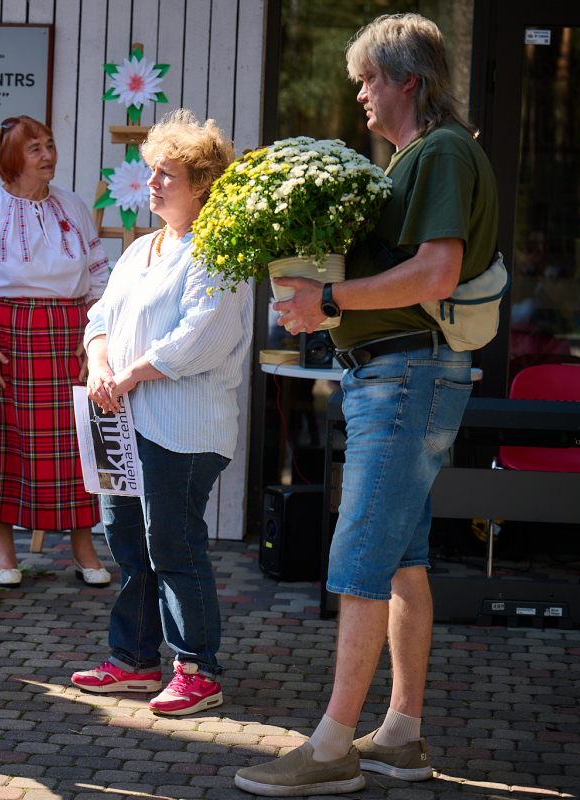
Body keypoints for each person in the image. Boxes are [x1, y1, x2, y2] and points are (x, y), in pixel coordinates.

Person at [235, 13, 497, 796]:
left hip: (405, 374)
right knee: (401, 557)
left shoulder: (441, 152)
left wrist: (332, 298)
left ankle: (331, 747)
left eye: (368, 80)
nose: (359, 96)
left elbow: (436, 272)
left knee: (357, 559)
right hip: (404, 371)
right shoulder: (427, 154)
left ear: (406, 80)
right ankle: (403, 736)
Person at [70, 110, 251, 716]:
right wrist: (99, 364)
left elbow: (201, 337)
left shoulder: (218, 252)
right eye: (150, 172)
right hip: (121, 421)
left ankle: (198, 666)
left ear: (201, 185)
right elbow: (99, 317)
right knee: (128, 540)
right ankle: (134, 661)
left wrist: (128, 374)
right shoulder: (142, 248)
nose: (151, 184)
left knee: (173, 541)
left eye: (165, 174)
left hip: (183, 426)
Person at [0, 115, 112, 589]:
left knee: (75, 438)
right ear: (11, 159)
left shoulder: (72, 206)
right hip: (7, 333)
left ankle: (82, 545)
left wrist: (97, 336)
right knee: (6, 438)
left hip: (68, 330)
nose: (48, 155)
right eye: (35, 149)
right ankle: (2, 548)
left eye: (49, 145)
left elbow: (100, 274)